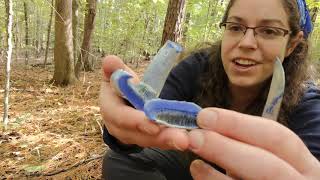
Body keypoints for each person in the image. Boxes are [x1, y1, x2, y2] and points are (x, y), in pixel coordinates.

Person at [99, 0, 320, 179]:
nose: (246, 42)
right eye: (235, 27)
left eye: (269, 31)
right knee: (119, 161)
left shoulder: (308, 104)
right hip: (193, 165)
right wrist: (125, 127)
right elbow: (145, 120)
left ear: (292, 44)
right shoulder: (198, 66)